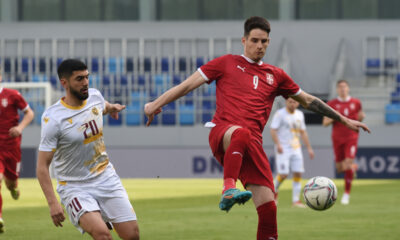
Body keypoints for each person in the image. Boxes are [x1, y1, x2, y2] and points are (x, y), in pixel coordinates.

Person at [144, 16, 370, 240]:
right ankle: (228, 187)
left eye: (264, 41)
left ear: (268, 43)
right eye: (254, 40)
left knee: (269, 207)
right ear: (244, 40)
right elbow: (186, 86)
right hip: (224, 132)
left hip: (252, 146)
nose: (259, 45)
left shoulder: (276, 75)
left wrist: (344, 119)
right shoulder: (225, 63)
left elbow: (308, 100)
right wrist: (153, 105)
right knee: (241, 133)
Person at [36, 59, 139, 240]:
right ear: (64, 82)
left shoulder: (95, 97)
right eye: (79, 79)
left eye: (86, 77)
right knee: (102, 234)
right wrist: (52, 203)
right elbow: (42, 166)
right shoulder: (53, 119)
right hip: (74, 187)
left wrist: (112, 107)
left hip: (106, 178)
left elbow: (103, 106)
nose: (85, 83)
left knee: (132, 235)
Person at [0, 69, 34, 233]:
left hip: (11, 147)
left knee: (10, 183)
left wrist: (20, 127)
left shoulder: (12, 95)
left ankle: (13, 187)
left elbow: (30, 113)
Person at [323, 79, 365, 205]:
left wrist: (361, 118)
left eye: (345, 87)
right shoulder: (331, 104)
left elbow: (360, 116)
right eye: (340, 87)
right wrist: (335, 117)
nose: (342, 89)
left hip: (351, 137)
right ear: (337, 89)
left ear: (348, 88)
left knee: (347, 164)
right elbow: (325, 123)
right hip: (337, 138)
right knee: (340, 168)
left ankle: (346, 195)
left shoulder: (356, 103)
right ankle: (353, 168)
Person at [270, 98, 314, 208]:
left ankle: (295, 201)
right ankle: (274, 192)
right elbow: (273, 129)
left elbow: (303, 132)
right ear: (286, 102)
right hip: (283, 148)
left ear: (298, 103)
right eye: (290, 101)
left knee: (298, 173)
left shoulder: (299, 115)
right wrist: (278, 144)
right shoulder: (280, 114)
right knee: (283, 174)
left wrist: (309, 148)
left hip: (296, 148)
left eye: (294, 102)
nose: (292, 104)